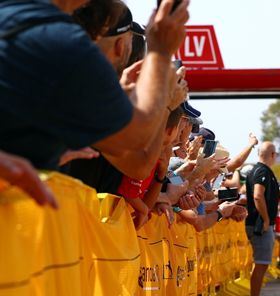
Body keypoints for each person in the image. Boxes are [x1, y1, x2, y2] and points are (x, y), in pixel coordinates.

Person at [0, 0, 189, 179]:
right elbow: (132, 142)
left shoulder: (15, 14)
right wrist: (160, 52)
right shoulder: (64, 46)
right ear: (120, 46)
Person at [245, 141, 280, 296]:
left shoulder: (257, 170)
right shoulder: (262, 171)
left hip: (259, 224)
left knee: (261, 264)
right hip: (260, 225)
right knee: (260, 264)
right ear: (272, 155)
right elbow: (258, 196)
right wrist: (266, 219)